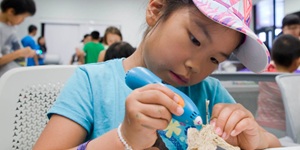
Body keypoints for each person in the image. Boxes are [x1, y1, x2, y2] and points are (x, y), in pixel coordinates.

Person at [34, 0, 281, 150]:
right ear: (156, 9)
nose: (196, 65)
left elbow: (275, 143)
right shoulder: (91, 82)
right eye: (194, 39)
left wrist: (257, 138)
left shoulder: (211, 93)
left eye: (215, 59)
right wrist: (123, 139)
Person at [256, 34, 300, 138]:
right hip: (286, 131)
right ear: (296, 62)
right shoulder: (293, 84)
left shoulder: (265, 72)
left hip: (260, 126)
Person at [0, 0, 36, 77]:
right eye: (23, 17)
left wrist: (26, 52)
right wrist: (20, 53)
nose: (23, 21)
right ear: (11, 11)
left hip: (13, 77)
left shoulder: (11, 27)